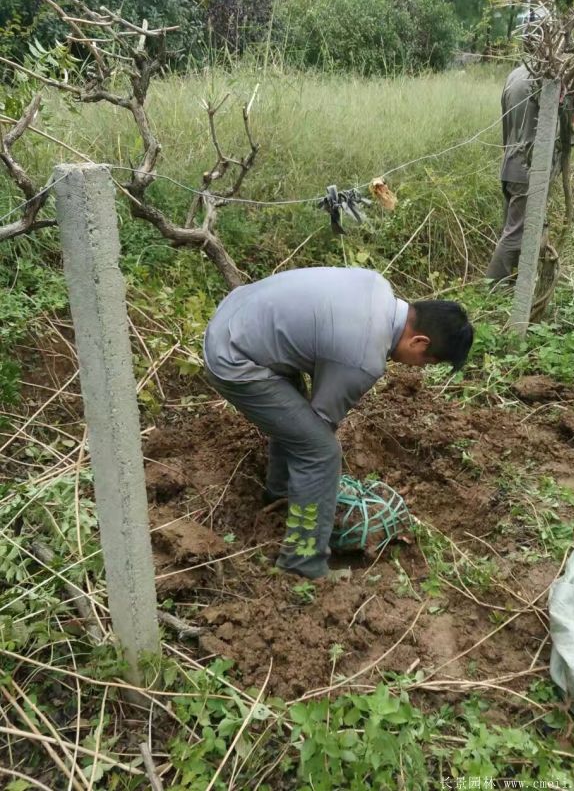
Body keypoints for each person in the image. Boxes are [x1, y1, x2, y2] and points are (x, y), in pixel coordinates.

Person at [203, 266, 474, 580]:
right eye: (427, 362)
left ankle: (281, 495)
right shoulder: (364, 356)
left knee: (300, 425)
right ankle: (302, 564)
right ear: (419, 342)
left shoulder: (376, 286)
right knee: (320, 452)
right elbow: (319, 431)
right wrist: (320, 488)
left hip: (236, 316)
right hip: (233, 357)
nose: (420, 368)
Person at [486, 64, 550, 284]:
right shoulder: (546, 78)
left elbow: (506, 123)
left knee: (510, 228)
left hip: (510, 163)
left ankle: (514, 283)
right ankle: (493, 287)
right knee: (515, 235)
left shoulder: (515, 75)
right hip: (527, 169)